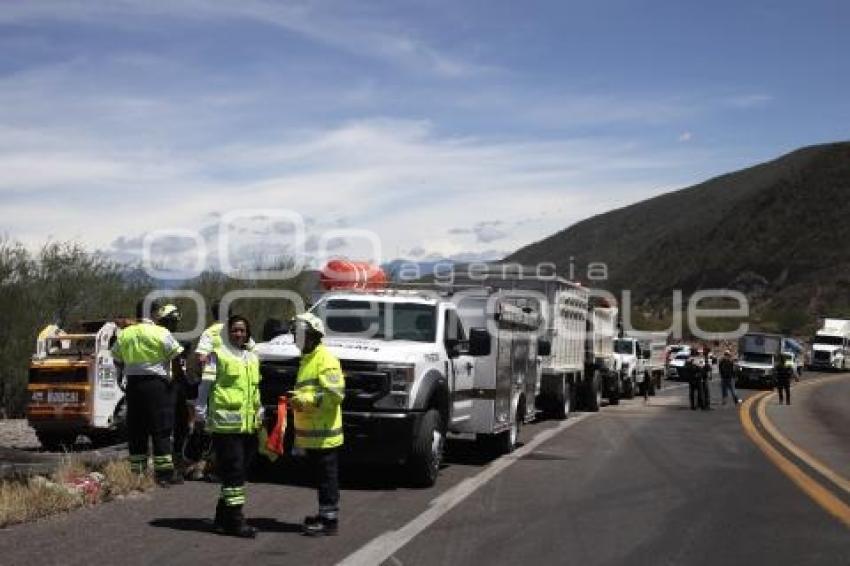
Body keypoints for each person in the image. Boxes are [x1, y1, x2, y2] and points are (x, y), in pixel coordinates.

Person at [112, 299, 184, 486]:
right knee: (161, 429)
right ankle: (164, 475)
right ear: (154, 313)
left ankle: (138, 474)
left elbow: (117, 359)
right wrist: (177, 380)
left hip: (134, 387)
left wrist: (123, 375)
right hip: (157, 386)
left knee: (137, 430)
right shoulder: (161, 332)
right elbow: (176, 357)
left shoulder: (125, 334)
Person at [291, 313, 345, 536]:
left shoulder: (325, 359)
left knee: (326, 479)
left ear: (313, 336)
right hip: (312, 433)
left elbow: (336, 395)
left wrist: (306, 400)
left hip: (325, 434)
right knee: (321, 478)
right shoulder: (308, 359)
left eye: (301, 335)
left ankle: (329, 521)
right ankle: (324, 515)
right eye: (296, 335)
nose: (297, 339)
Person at [207, 315, 262, 538]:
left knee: (237, 474)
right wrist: (201, 412)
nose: (238, 334)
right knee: (234, 472)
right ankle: (235, 521)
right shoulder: (216, 355)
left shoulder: (252, 357)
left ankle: (222, 519)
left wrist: (260, 411)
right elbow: (205, 386)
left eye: (242, 330)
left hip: (248, 425)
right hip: (225, 426)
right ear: (226, 333)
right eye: (234, 330)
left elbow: (254, 390)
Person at [155, 304, 194, 476]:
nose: (173, 325)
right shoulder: (164, 338)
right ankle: (169, 459)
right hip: (168, 385)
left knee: (181, 421)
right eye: (172, 321)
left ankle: (176, 454)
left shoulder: (171, 338)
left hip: (172, 386)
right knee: (169, 423)